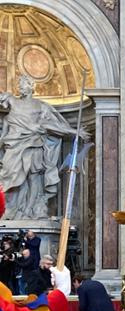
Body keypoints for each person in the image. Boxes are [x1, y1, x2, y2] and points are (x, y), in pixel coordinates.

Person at [0, 75, 88, 219]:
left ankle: (30, 209)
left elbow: (50, 125)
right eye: (19, 84)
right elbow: (3, 136)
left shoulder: (40, 106)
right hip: (13, 146)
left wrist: (75, 131)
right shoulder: (11, 102)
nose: (21, 87)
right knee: (9, 177)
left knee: (34, 178)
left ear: (31, 86)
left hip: (34, 144)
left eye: (24, 84)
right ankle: (9, 209)